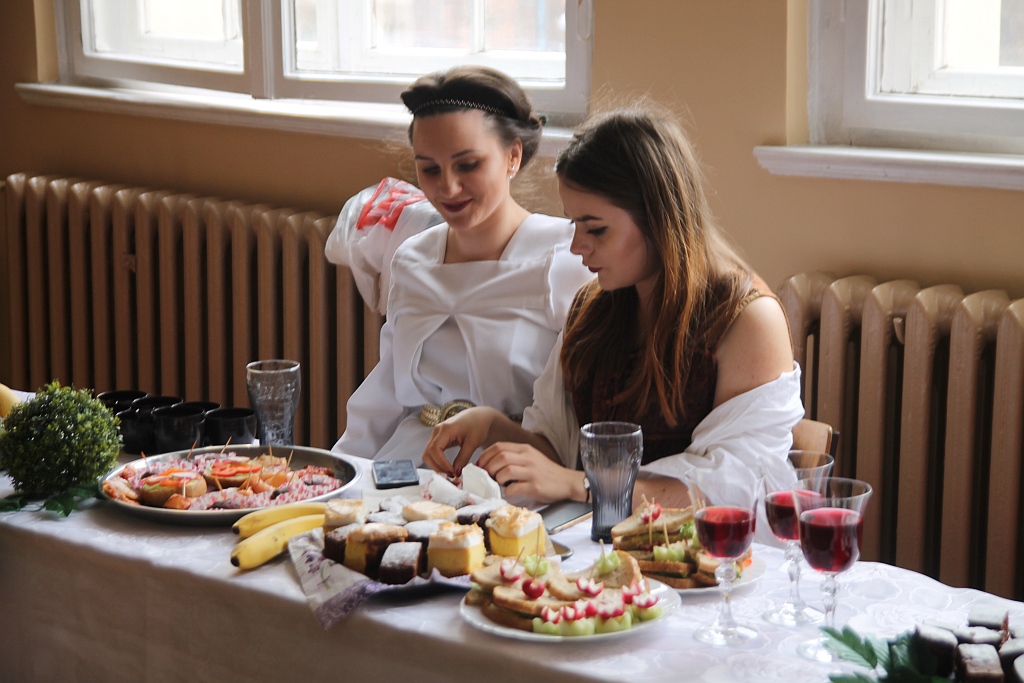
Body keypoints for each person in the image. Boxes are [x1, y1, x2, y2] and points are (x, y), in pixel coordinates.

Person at [422, 106, 803, 518]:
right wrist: (492, 424)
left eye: (596, 229)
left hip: (708, 561)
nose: (577, 247)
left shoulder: (746, 320)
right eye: (574, 226)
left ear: (659, 219)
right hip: (601, 543)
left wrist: (580, 483)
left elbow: (729, 490)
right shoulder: (593, 308)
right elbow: (558, 453)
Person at [331, 66, 593, 464]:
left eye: (467, 165)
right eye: (429, 169)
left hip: (514, 468)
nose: (448, 188)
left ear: (513, 156)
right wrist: (338, 475)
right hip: (411, 462)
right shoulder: (412, 259)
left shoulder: (567, 256)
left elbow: (583, 410)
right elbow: (384, 394)